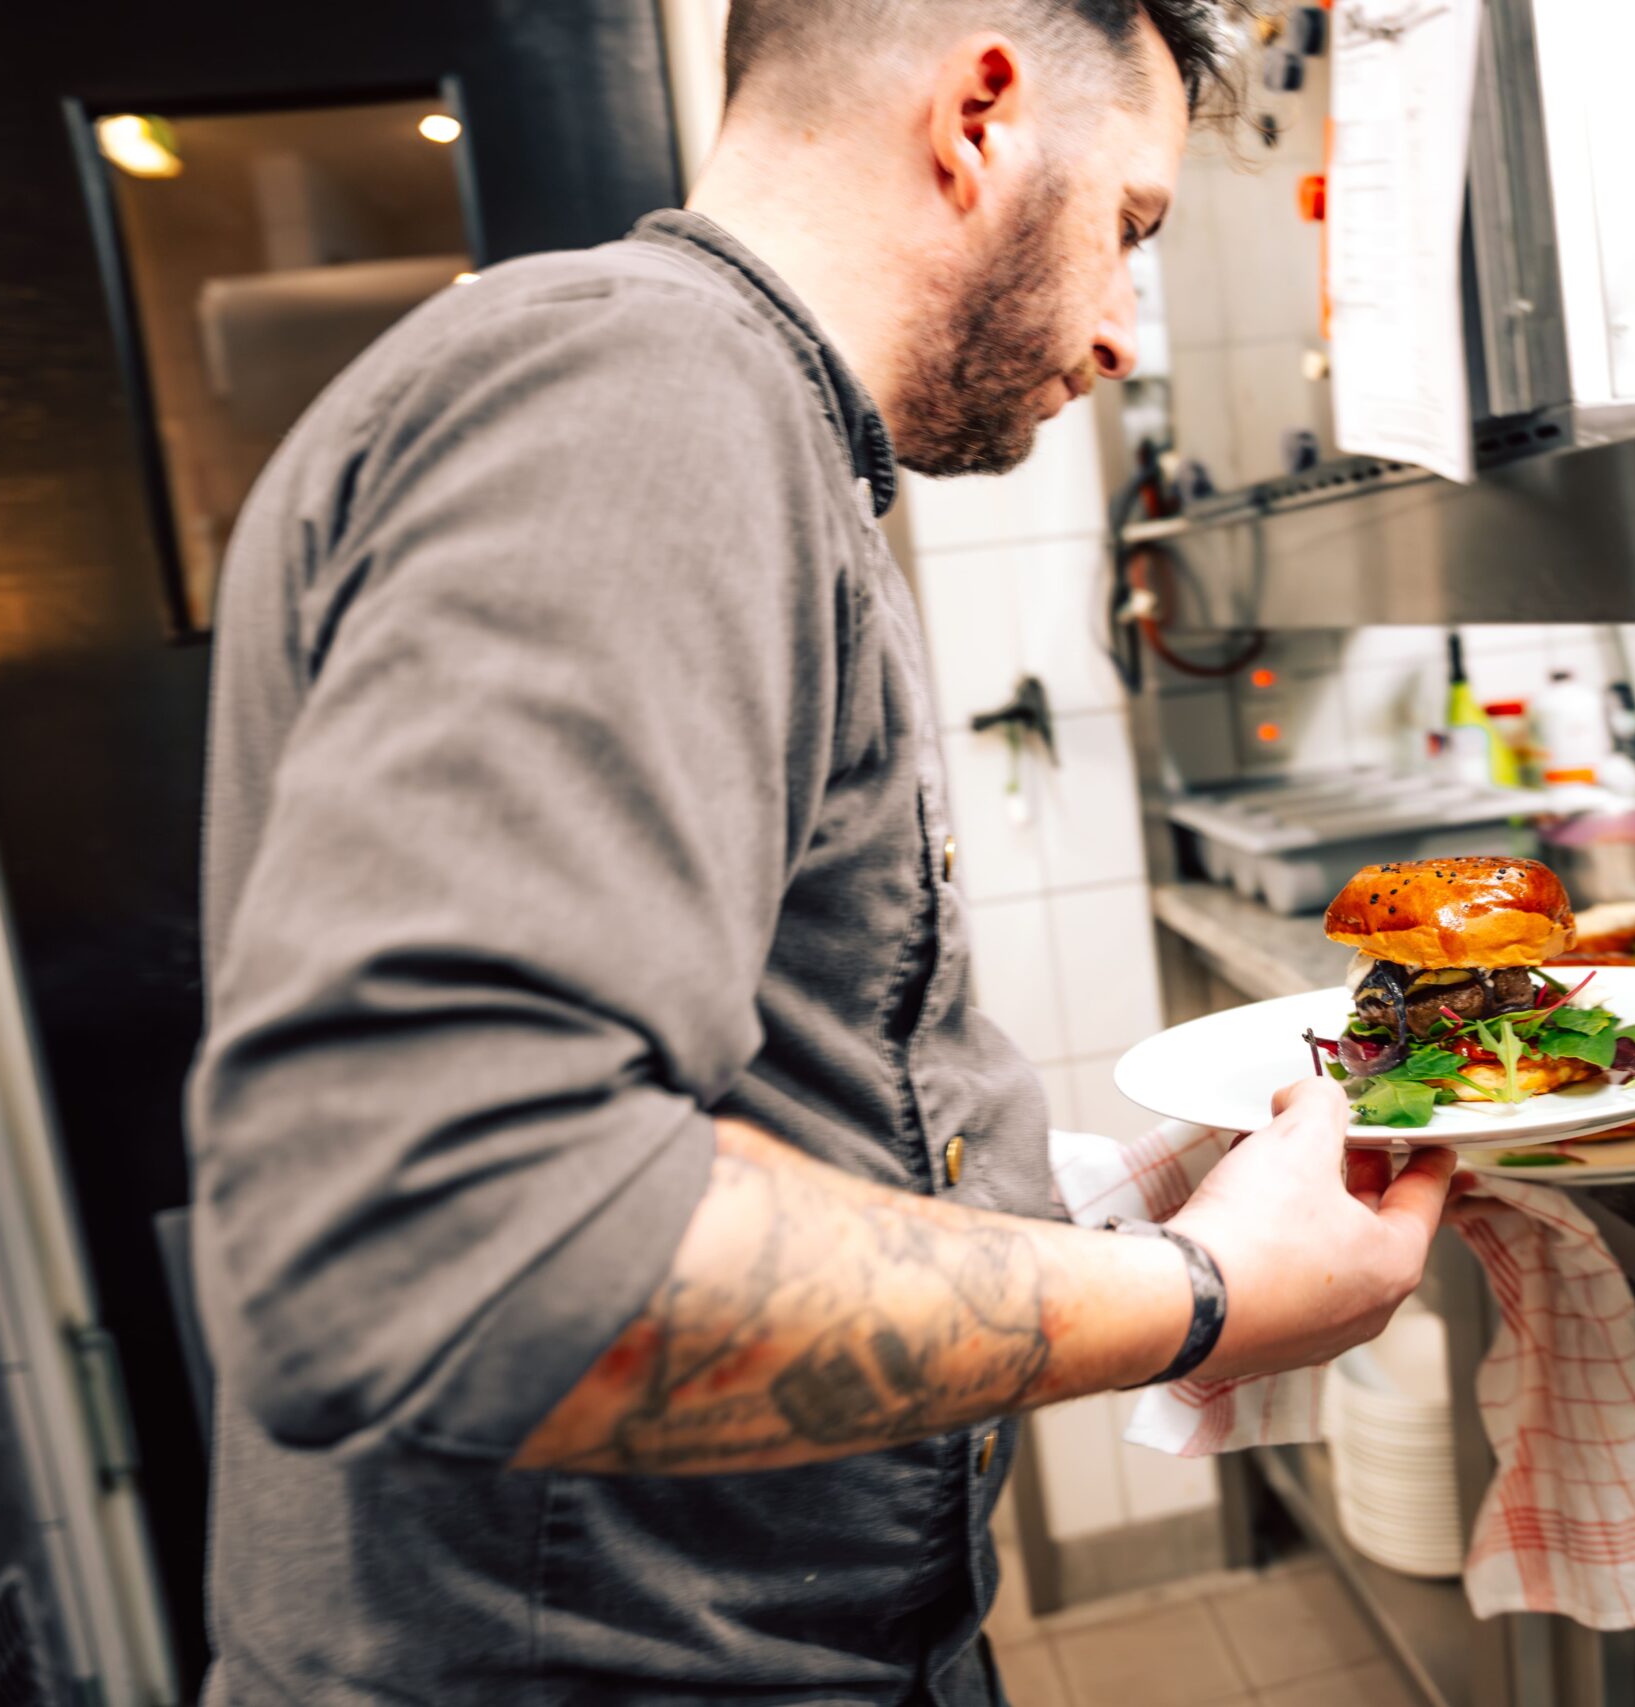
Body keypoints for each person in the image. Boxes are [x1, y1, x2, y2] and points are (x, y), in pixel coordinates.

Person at [184, 2, 1458, 1702]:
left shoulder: (717, 417)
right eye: (1128, 229)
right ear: (982, 114)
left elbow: (732, 1101)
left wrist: (1091, 1202)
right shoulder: (642, 393)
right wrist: (1205, 1297)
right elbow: (450, 1232)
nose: (1121, 333)